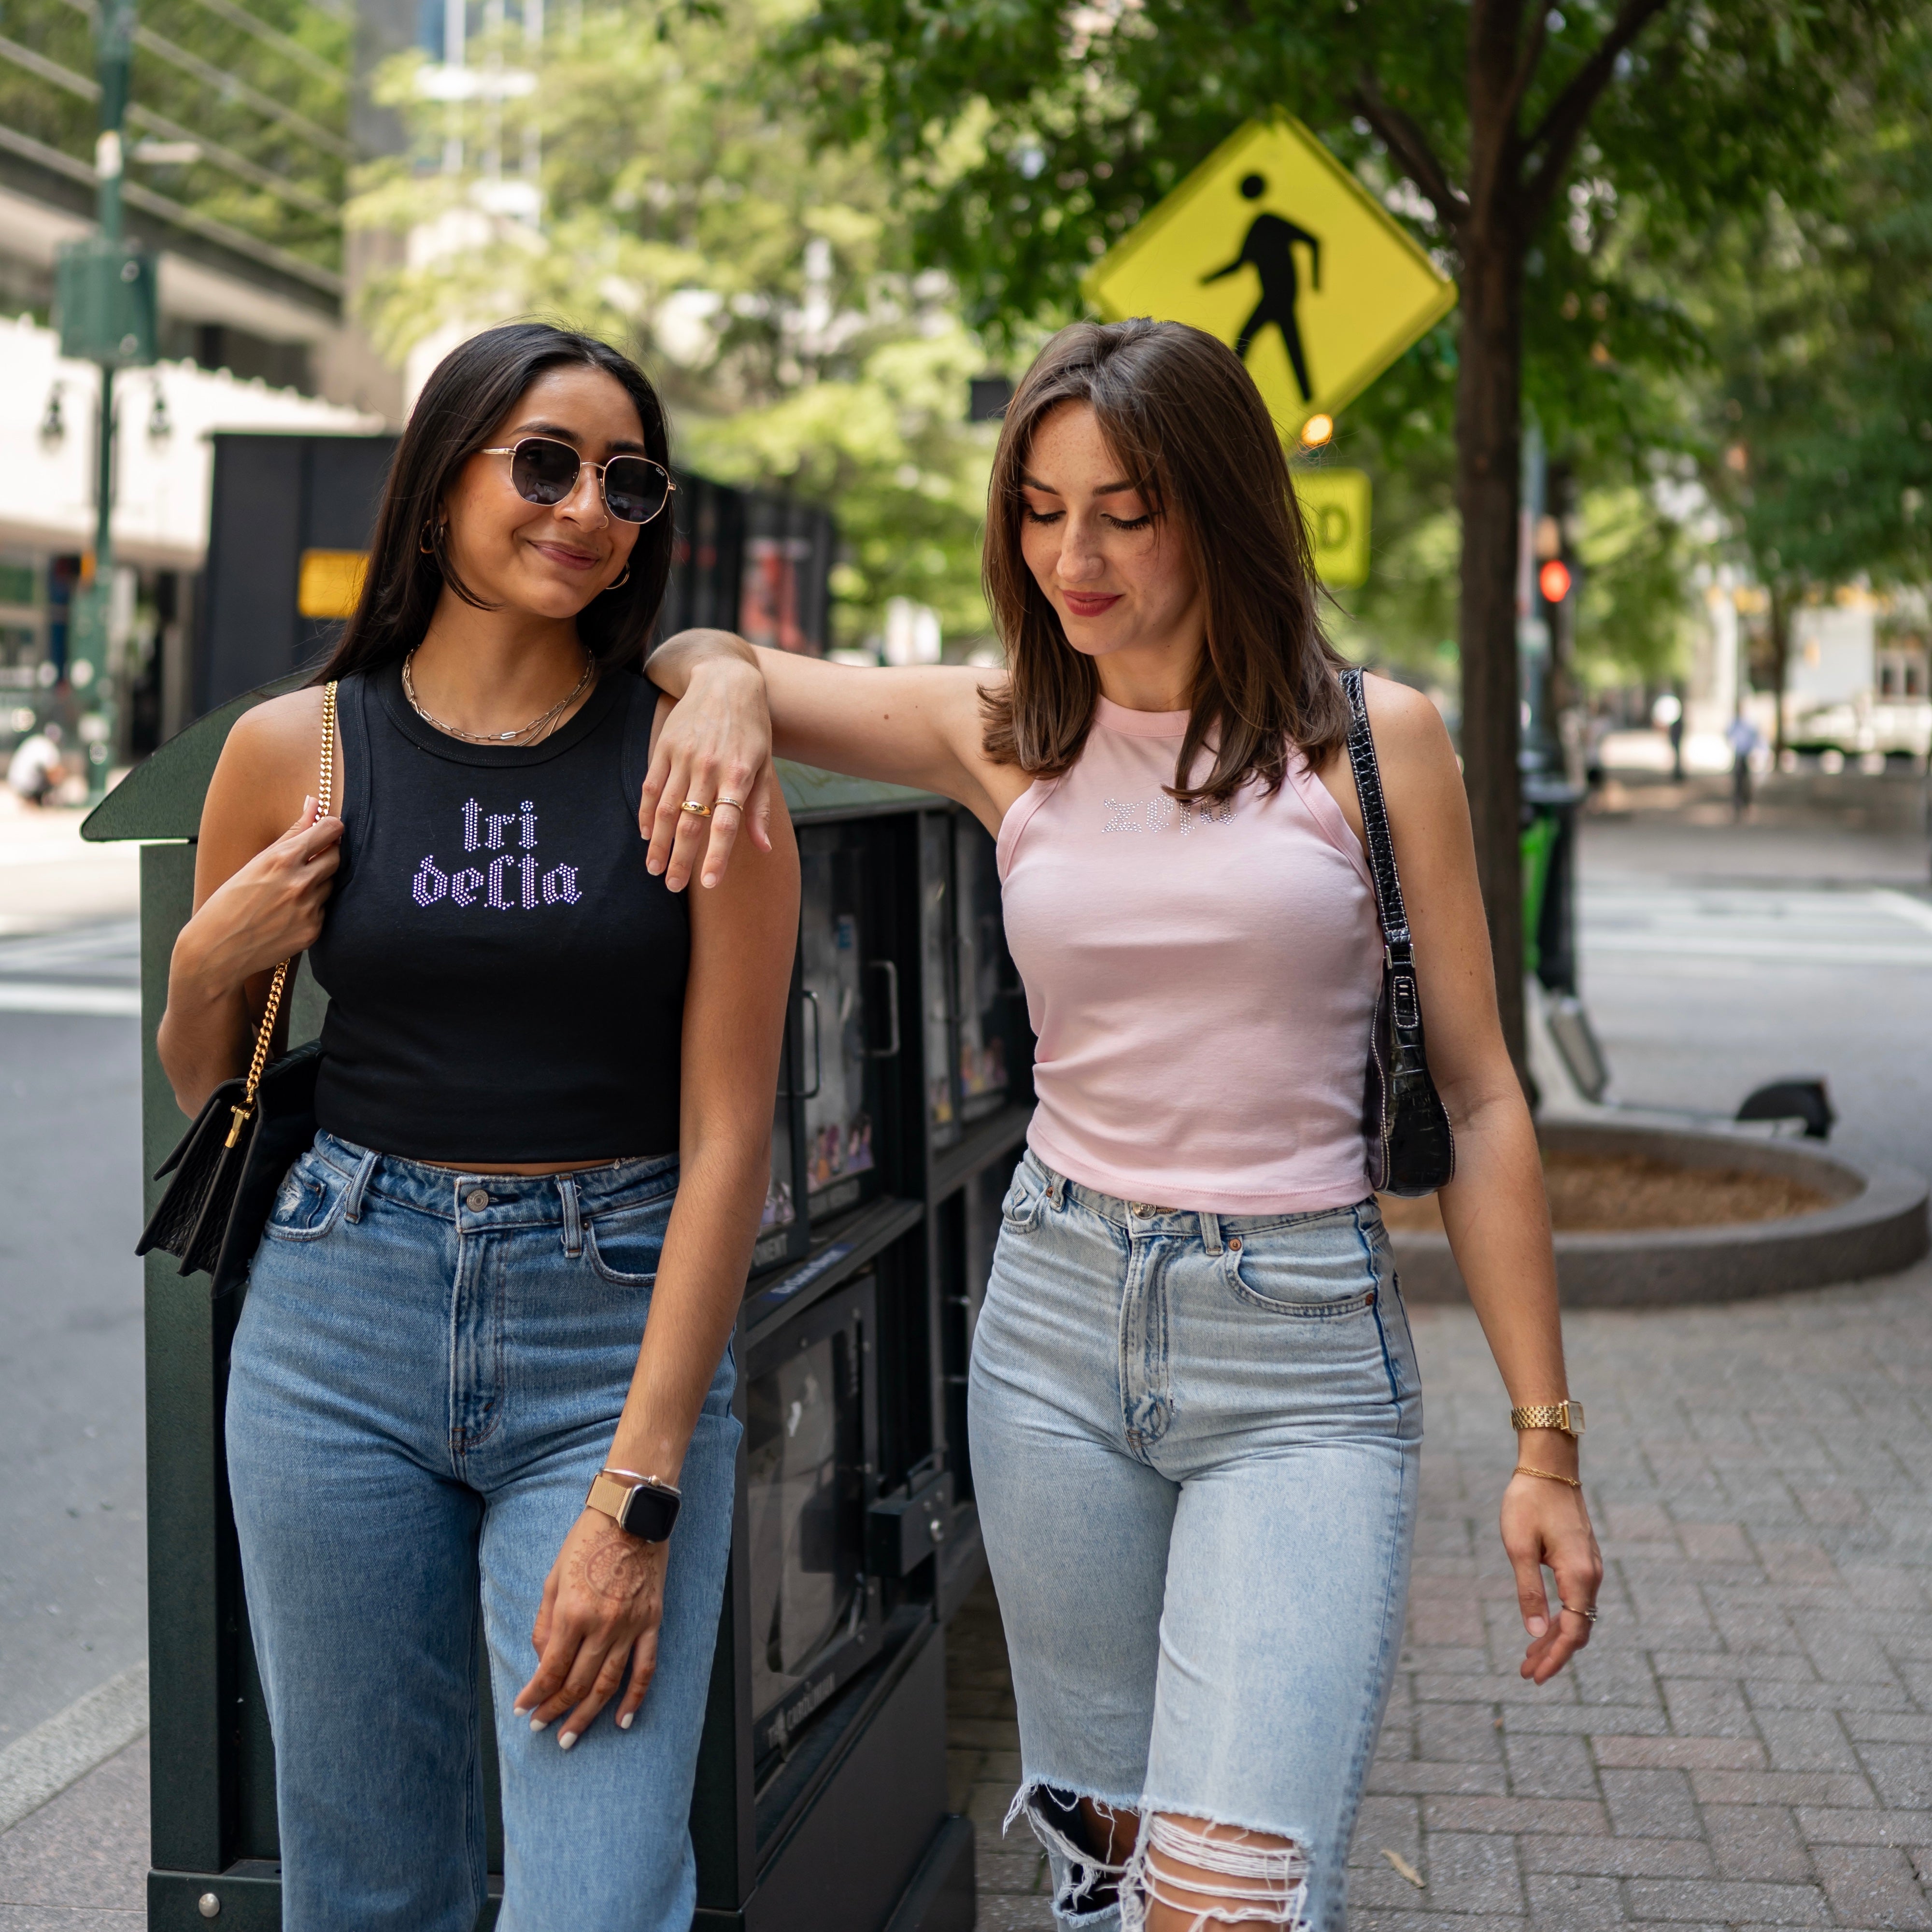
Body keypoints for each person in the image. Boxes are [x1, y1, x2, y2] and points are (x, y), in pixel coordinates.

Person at [644, 318, 1602, 1932]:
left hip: (1300, 1359)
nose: (1069, 554)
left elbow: (1488, 1098)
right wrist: (723, 689)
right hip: (1055, 1334)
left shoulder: (1376, 745)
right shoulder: (1008, 721)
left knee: (1223, 1903)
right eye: (1038, 506)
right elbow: (690, 655)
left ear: (1218, 506)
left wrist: (1545, 1442)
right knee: (1109, 1871)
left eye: (1123, 508)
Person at [155, 322, 798, 1932]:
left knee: (598, 1896)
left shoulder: (699, 764)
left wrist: (639, 1489)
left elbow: (731, 1137)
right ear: (438, 480)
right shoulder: (289, 753)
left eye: (626, 479)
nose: (587, 505)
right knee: (370, 1889)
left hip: (616, 1336)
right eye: (545, 462)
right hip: (335, 1322)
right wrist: (199, 966)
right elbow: (205, 1090)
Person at [7, 722, 67, 807]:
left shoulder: (36, 740)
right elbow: (52, 773)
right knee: (56, 776)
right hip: (26, 787)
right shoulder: (49, 747)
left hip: (14, 783)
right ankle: (38, 800)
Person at [1727, 710, 1762, 818]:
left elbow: (1755, 737)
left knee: (1745, 782)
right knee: (1739, 782)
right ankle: (1739, 805)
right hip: (1740, 755)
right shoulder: (1736, 724)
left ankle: (1745, 804)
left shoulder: (1747, 724)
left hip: (1745, 755)